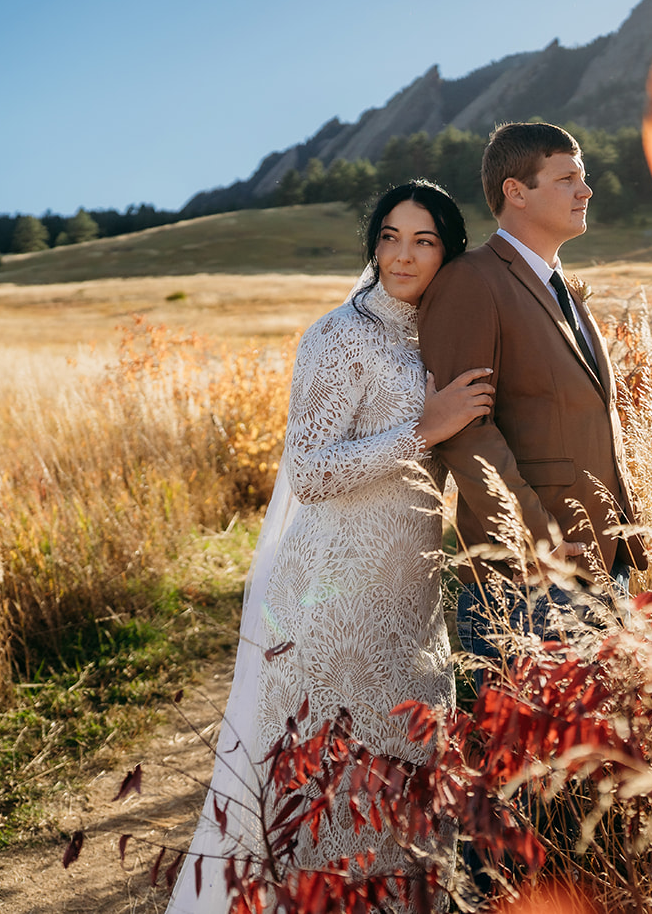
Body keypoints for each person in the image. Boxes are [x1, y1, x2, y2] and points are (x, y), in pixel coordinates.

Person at [165, 181, 491, 914]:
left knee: (408, 781)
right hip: (331, 601)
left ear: (449, 252)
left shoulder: (437, 338)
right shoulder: (338, 335)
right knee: (331, 793)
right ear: (372, 244)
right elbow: (307, 471)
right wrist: (421, 430)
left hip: (410, 602)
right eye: (390, 236)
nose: (403, 254)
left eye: (424, 240)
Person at [418, 122, 648, 666]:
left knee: (605, 743)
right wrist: (532, 535)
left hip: (602, 553)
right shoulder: (472, 281)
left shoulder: (561, 285)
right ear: (515, 192)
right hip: (532, 572)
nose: (585, 191)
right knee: (530, 749)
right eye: (567, 179)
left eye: (583, 178)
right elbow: (467, 429)